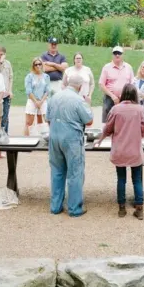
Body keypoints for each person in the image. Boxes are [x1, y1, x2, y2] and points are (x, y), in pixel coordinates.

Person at [96, 84, 144, 220]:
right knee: (137, 180)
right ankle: (139, 208)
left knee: (121, 179)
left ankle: (122, 208)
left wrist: (100, 140)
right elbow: (143, 131)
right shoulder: (140, 109)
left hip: (120, 150)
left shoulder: (116, 109)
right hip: (135, 150)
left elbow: (108, 128)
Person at [46, 74, 94, 217]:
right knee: (75, 173)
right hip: (71, 139)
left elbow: (48, 119)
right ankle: (74, 208)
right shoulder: (79, 100)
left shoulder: (54, 97)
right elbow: (89, 120)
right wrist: (89, 104)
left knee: (57, 171)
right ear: (80, 86)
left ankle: (55, 206)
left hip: (54, 137)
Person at [99, 46, 135, 123]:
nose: (117, 55)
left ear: (123, 55)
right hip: (109, 99)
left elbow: (132, 84)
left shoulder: (128, 67)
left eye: (119, 53)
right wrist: (113, 96)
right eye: (115, 53)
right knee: (109, 122)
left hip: (125, 99)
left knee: (124, 122)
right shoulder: (106, 67)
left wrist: (124, 95)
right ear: (112, 55)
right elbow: (101, 84)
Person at [23, 57, 51, 136]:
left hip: (43, 100)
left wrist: (41, 102)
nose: (38, 66)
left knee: (46, 121)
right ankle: (26, 140)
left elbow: (47, 90)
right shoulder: (29, 77)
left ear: (42, 65)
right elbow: (28, 91)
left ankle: (43, 138)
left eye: (40, 64)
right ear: (33, 66)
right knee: (29, 123)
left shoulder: (46, 77)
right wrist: (36, 102)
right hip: (32, 100)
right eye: (36, 64)